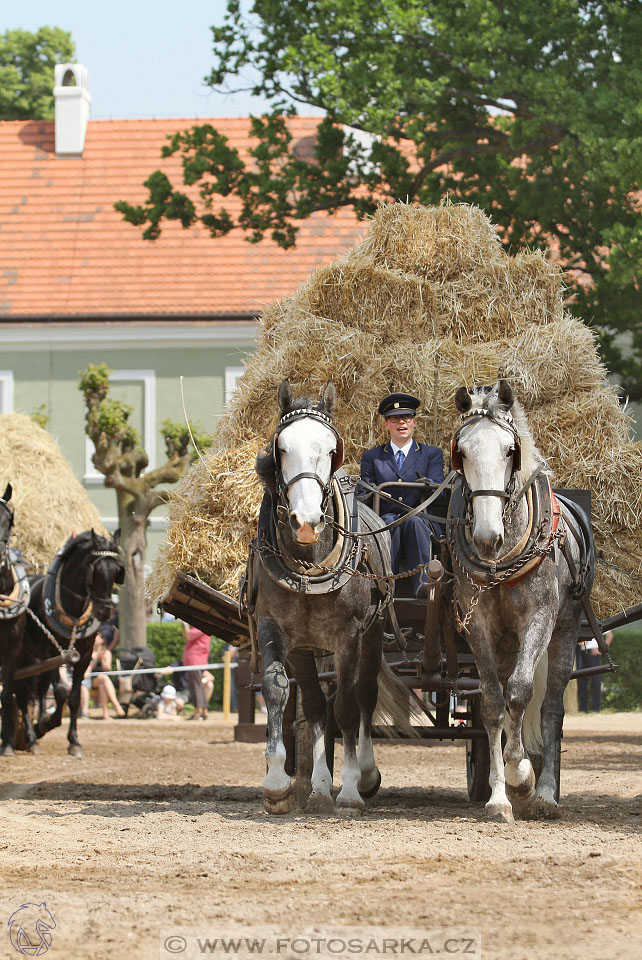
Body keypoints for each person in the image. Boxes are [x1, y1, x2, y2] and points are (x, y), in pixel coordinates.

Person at [360, 392, 444, 598]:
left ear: (414, 422)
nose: (401, 423)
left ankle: (424, 585)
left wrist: (427, 484)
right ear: (386, 424)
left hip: (420, 520)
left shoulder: (431, 454)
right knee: (388, 524)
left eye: (406, 417)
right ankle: (386, 585)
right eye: (395, 418)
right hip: (386, 520)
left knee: (414, 522)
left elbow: (439, 490)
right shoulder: (373, 457)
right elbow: (364, 493)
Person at [80, 633, 126, 720]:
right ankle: (116, 705)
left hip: (100, 679)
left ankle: (105, 714)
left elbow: (107, 668)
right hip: (90, 678)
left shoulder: (106, 652)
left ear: (102, 639)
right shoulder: (88, 652)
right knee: (103, 678)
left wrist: (102, 660)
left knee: (102, 683)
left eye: (97, 637)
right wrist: (94, 658)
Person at [576, 630, 613, 712]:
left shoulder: (597, 620)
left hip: (593, 653)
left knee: (596, 681)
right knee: (581, 681)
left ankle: (596, 708)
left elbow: (609, 635)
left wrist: (601, 650)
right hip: (581, 652)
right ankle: (582, 708)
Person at [181, 621, 212, 720]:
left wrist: (184, 623)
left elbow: (188, 635)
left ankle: (198, 711)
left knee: (195, 686)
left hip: (195, 660)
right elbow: (185, 635)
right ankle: (203, 710)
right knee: (198, 686)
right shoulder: (202, 627)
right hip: (199, 660)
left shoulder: (203, 627)